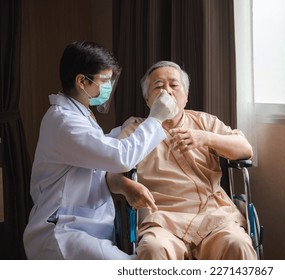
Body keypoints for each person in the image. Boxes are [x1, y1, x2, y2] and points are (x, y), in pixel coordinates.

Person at [23, 42, 178, 259]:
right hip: (63, 233)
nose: (107, 87)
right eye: (104, 81)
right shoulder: (64, 122)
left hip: (84, 229)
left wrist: (131, 127)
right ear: (81, 81)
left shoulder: (79, 115)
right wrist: (156, 118)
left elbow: (98, 146)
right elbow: (120, 157)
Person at [118, 61, 257, 260]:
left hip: (214, 215)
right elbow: (110, 173)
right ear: (148, 100)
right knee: (153, 249)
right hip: (163, 217)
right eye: (158, 86)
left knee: (237, 244)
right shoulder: (135, 131)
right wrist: (126, 186)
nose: (167, 92)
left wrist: (206, 138)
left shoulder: (205, 122)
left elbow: (246, 150)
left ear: (186, 96)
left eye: (174, 85)